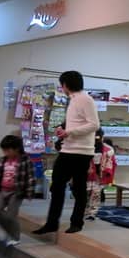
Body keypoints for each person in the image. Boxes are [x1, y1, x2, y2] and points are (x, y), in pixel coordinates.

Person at [34, 71, 100, 235]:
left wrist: (70, 132)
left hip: (82, 152)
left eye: (61, 84)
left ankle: (77, 222)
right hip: (68, 149)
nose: (61, 88)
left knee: (78, 188)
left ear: (65, 85)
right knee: (56, 186)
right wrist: (63, 129)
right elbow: (77, 123)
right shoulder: (74, 100)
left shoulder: (85, 99)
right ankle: (52, 223)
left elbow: (94, 125)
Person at [0, 134, 34, 248]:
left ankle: (15, 237)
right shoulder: (2, 160)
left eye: (8, 150)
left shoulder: (25, 161)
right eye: (4, 150)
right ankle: (8, 232)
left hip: (16, 192)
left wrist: (29, 193)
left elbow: (30, 178)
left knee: (11, 216)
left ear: (17, 149)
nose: (5, 153)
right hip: (2, 191)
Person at [85, 129, 116, 219]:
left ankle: (92, 213)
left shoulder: (107, 149)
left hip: (99, 175)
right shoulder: (85, 146)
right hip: (86, 174)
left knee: (96, 194)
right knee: (85, 194)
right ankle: (85, 211)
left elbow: (111, 162)